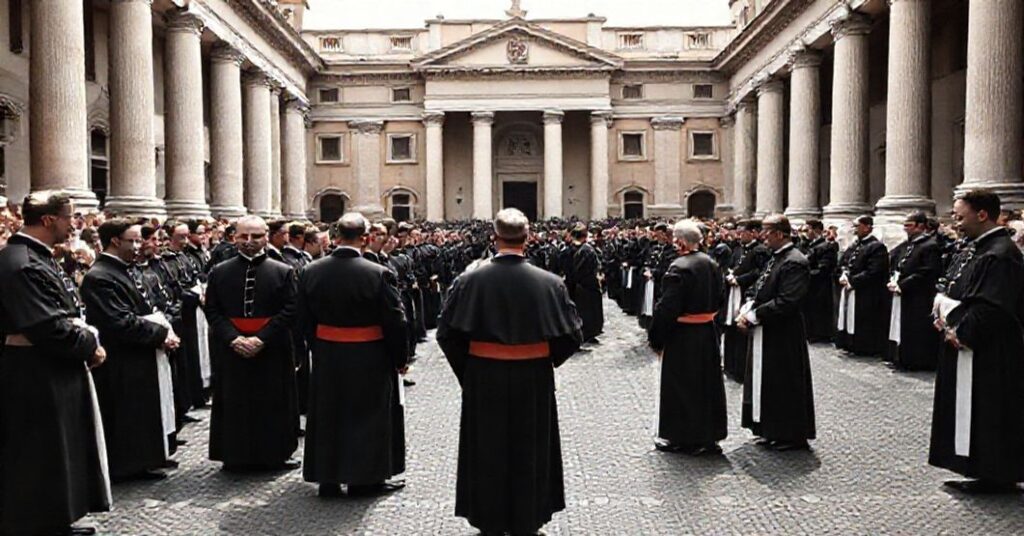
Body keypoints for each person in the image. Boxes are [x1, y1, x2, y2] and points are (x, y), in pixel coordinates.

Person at [437, 208, 582, 536]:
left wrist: (470, 371)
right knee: (530, 449)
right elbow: (572, 335)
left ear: (494, 237)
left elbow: (447, 334)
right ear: (527, 238)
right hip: (533, 377)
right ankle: (527, 519)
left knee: (486, 449)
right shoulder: (550, 283)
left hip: (484, 375)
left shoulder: (468, 280)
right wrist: (544, 360)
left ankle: (489, 520)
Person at [0, 192, 110, 536]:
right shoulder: (21, 263)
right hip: (32, 371)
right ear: (48, 220)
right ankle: (39, 522)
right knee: (39, 449)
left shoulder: (37, 257)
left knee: (57, 447)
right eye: (69, 217)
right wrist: (89, 344)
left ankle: (56, 516)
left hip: (48, 367)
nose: (74, 224)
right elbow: (47, 326)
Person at [299, 212, 410, 498]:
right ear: (365, 238)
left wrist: (318, 345)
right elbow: (395, 321)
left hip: (328, 354)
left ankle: (328, 478)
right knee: (367, 416)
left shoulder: (311, 271)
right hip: (369, 354)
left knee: (328, 415)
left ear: (335, 237)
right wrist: (400, 358)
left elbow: (303, 318)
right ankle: (365, 480)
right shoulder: (379, 273)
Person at [930, 190, 1024, 494]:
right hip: (972, 341)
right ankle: (979, 468)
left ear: (982, 214)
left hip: (991, 349)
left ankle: (995, 473)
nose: (955, 222)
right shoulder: (981, 249)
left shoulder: (999, 253)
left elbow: (991, 305)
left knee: (990, 409)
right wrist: (944, 318)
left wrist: (961, 332)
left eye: (959, 216)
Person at [81, 218, 181, 482]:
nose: (139, 246)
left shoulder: (126, 270)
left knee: (144, 407)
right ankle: (130, 464)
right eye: (133, 240)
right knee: (128, 411)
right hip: (122, 358)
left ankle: (148, 457)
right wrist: (160, 334)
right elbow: (118, 321)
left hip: (142, 352)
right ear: (115, 241)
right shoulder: (100, 276)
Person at [205, 216, 300, 471]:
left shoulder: (284, 271)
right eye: (244, 236)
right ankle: (234, 455)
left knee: (273, 401)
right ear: (234, 237)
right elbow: (213, 310)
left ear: (266, 237)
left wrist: (261, 338)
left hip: (272, 347)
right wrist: (233, 338)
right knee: (234, 401)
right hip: (232, 347)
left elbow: (291, 309)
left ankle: (275, 454)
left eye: (256, 236)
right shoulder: (219, 272)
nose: (249, 242)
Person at [737, 214, 816, 451]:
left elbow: (787, 301)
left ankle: (789, 434)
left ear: (780, 234)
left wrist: (755, 315)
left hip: (784, 333)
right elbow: (759, 287)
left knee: (784, 382)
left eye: (767, 232)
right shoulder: (777, 258)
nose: (762, 237)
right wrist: (748, 305)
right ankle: (770, 428)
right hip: (768, 329)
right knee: (767, 381)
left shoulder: (795, 261)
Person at [648, 220, 727, 455]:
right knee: (707, 386)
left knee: (682, 387)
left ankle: (685, 438)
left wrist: (656, 338)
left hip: (683, 336)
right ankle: (709, 436)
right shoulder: (711, 263)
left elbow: (667, 308)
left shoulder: (679, 267)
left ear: (681, 242)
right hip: (707, 331)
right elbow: (721, 298)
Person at [887, 212, 942, 371]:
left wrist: (904, 284)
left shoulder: (930, 246)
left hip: (919, 296)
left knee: (915, 328)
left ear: (920, 226)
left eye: (909, 225)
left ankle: (915, 360)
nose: (906, 229)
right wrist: (894, 280)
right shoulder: (908, 245)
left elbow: (928, 271)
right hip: (903, 293)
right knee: (901, 326)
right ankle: (901, 356)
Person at [722, 220, 770, 382]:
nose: (738, 235)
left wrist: (740, 279)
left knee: (741, 329)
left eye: (742, 232)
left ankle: (741, 369)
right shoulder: (737, 248)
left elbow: (760, 272)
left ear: (752, 233)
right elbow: (732, 265)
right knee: (730, 328)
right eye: (738, 232)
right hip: (732, 292)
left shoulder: (760, 251)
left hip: (745, 293)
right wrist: (729, 275)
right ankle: (729, 366)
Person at [835, 215, 889, 356]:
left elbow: (874, 271)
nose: (854, 230)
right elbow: (844, 262)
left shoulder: (876, 247)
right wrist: (843, 274)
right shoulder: (855, 245)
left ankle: (863, 346)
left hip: (866, 291)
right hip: (850, 287)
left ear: (867, 227)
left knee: (863, 320)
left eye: (857, 226)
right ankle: (849, 342)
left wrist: (852, 280)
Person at [801, 220, 838, 343]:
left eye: (808, 230)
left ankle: (820, 334)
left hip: (821, 285)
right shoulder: (810, 245)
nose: (806, 233)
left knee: (819, 310)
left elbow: (824, 268)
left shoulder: (826, 247)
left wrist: (805, 274)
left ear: (816, 230)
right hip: (811, 284)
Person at [569, 224, 604, 343]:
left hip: (582, 285)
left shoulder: (580, 249)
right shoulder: (586, 250)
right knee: (589, 312)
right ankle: (588, 333)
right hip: (587, 285)